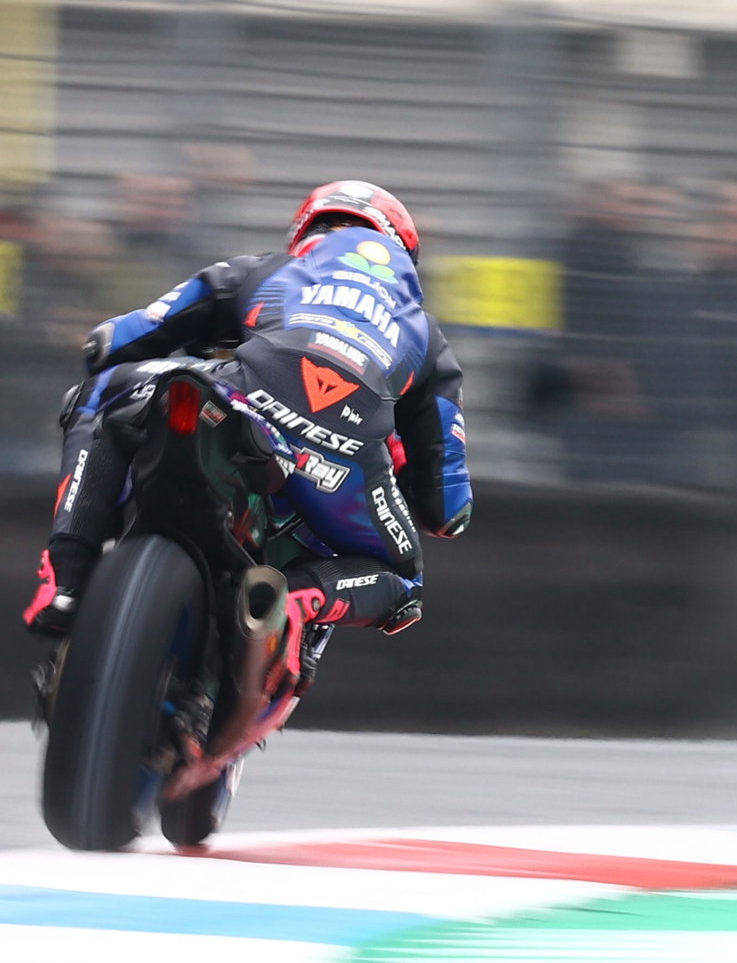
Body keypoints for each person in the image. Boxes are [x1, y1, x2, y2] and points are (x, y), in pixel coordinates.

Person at [22, 180, 473, 691]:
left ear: (305, 232)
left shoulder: (264, 271)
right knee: (405, 582)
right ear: (406, 260)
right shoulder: (427, 337)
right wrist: (397, 463)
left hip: (237, 400)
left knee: (101, 393)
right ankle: (294, 602)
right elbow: (449, 509)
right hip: (340, 470)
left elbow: (111, 343)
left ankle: (66, 579)